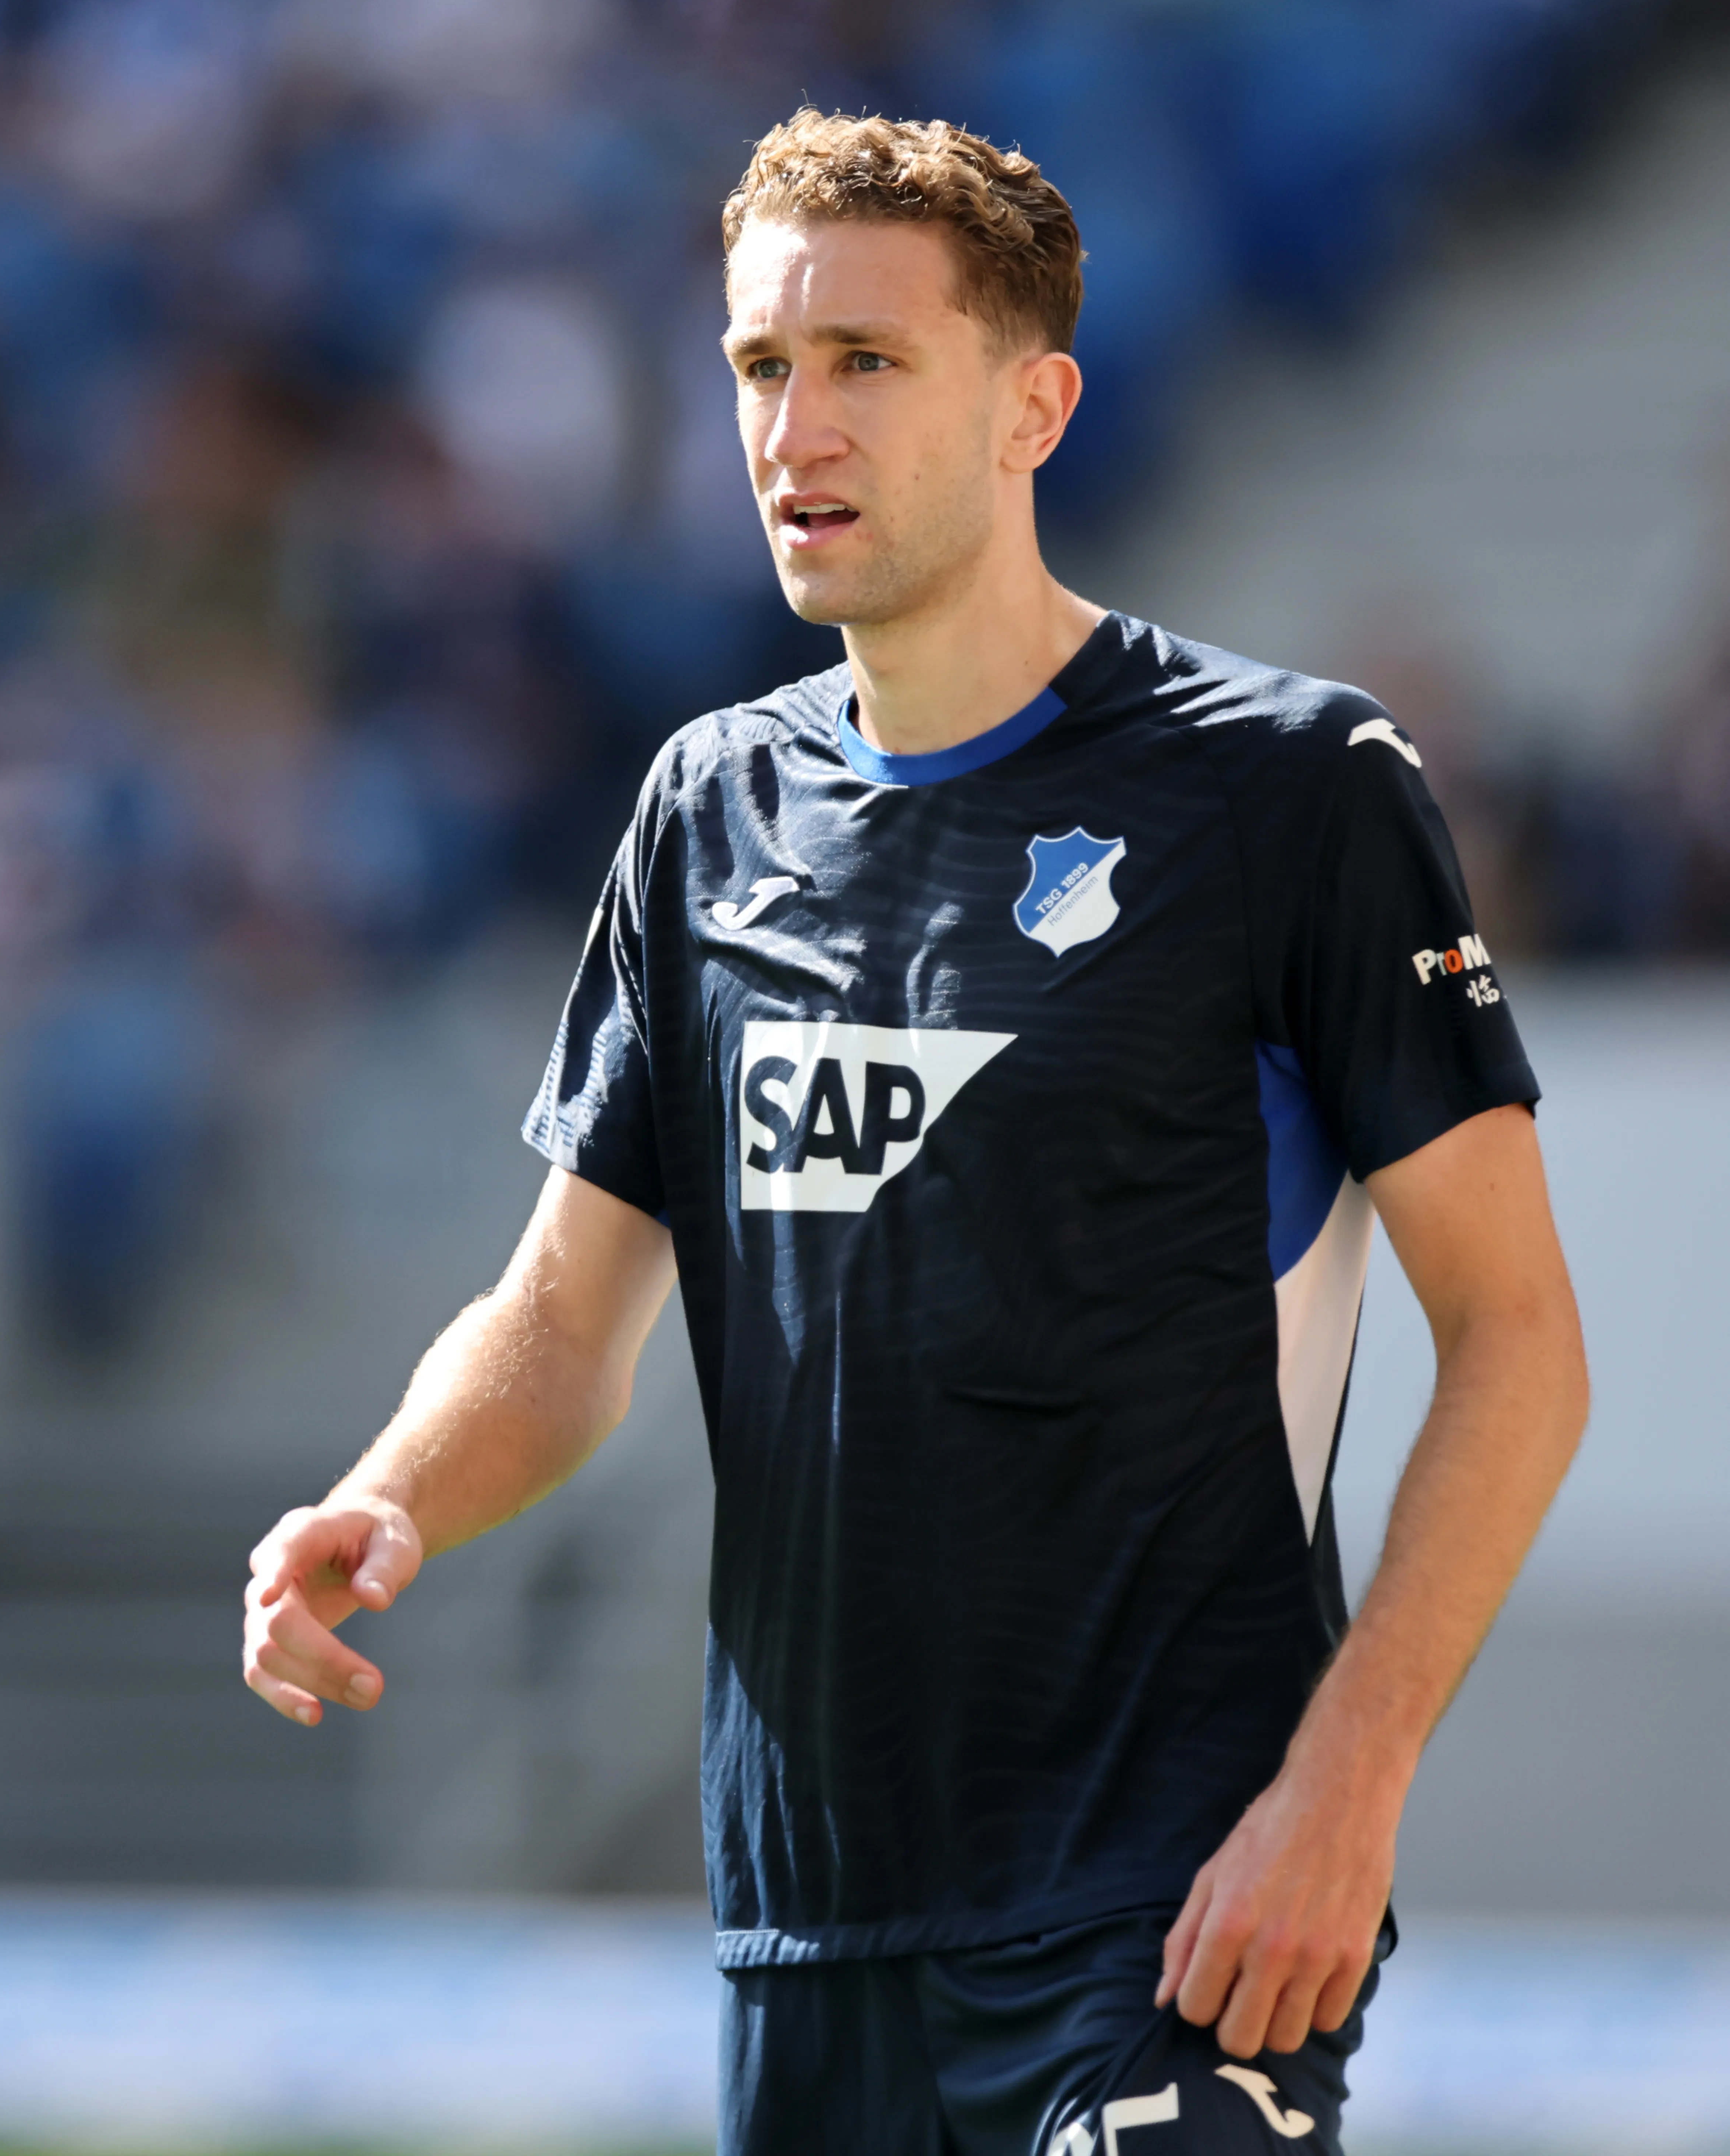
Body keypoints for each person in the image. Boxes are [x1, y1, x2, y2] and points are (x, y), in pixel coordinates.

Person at [243, 112, 1587, 2154]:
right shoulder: (708, 811)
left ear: (1034, 404)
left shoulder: (1291, 791)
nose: (800, 428)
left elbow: (1519, 1341)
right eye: (763, 370)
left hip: (1182, 1916)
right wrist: (396, 1491)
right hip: (813, 1943)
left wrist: (1350, 1780)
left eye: (869, 361)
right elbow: (562, 1322)